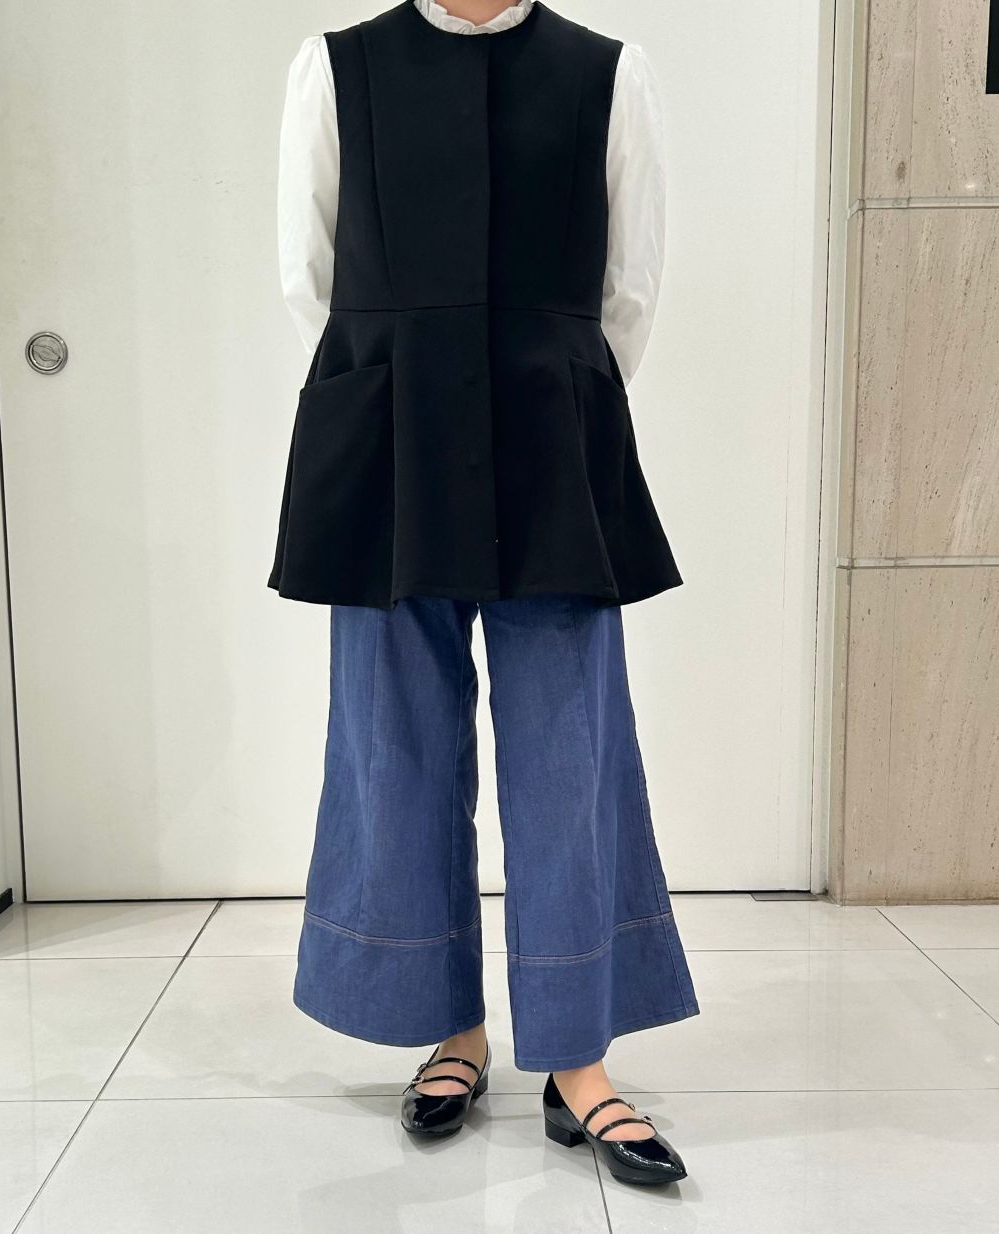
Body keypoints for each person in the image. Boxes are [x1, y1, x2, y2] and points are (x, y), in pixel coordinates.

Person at [269, 0, 698, 1187]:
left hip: (551, 429)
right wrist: (391, 379)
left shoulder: (605, 71)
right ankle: (446, 1029)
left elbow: (629, 284)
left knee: (571, 749)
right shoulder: (336, 67)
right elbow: (308, 274)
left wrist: (551, 383)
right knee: (391, 741)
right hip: (387, 428)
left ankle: (577, 1057)